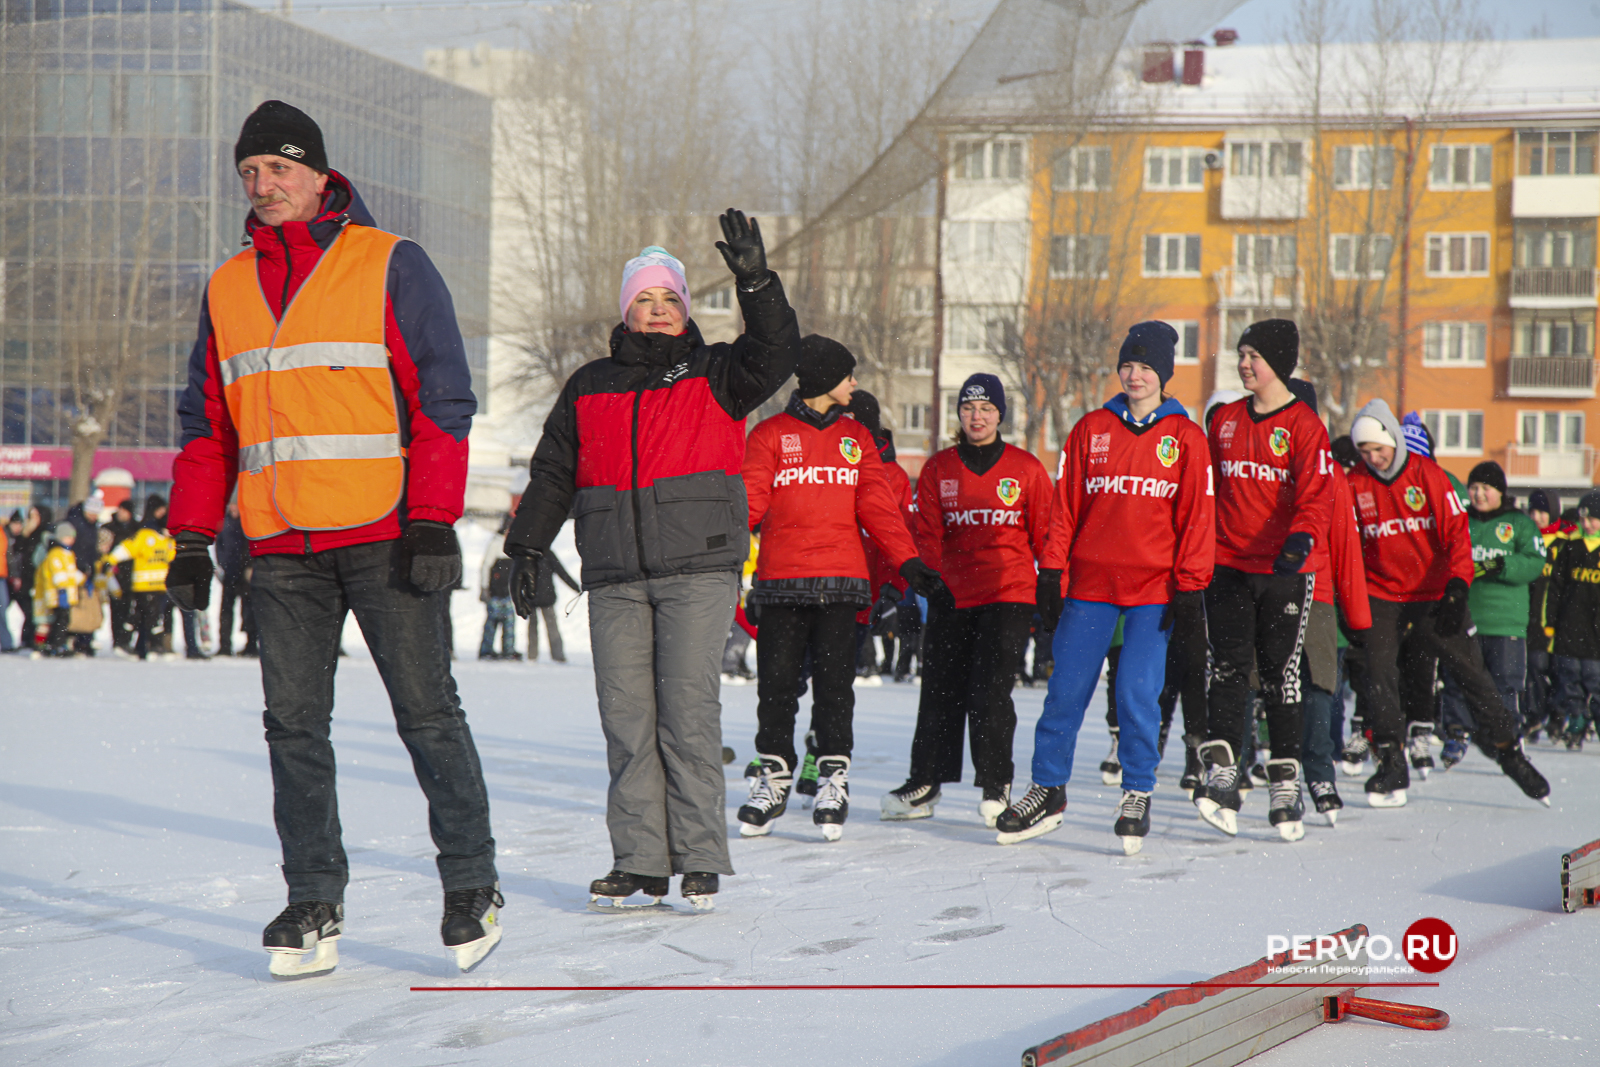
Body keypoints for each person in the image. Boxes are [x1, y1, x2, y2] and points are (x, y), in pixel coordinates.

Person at [163, 101, 500, 976]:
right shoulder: (228, 286)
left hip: (386, 535)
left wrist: (432, 519)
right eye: (248, 173)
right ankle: (313, 899)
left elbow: (442, 399)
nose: (262, 185)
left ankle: (471, 884)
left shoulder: (390, 263)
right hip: (278, 543)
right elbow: (207, 427)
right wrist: (193, 537)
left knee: (427, 715)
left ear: (318, 175)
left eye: (277, 169)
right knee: (293, 729)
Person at [504, 214, 800, 911]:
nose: (659, 310)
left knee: (686, 714)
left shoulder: (719, 370)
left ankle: (698, 855)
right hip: (614, 574)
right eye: (646, 299)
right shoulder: (589, 384)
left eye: (670, 299)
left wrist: (756, 283)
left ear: (685, 309)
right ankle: (639, 859)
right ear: (626, 309)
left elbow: (778, 350)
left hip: (697, 570)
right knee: (626, 718)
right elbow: (552, 472)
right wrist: (526, 546)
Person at [999, 322, 1214, 852]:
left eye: (1146, 368)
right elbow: (1065, 507)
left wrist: (1190, 586)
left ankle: (1137, 790)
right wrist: (1051, 569)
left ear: (1164, 375)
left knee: (1137, 694)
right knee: (1065, 691)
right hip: (1090, 585)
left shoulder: (1185, 437)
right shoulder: (1090, 429)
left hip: (1152, 591)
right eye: (1128, 366)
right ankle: (1048, 789)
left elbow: (1197, 518)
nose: (1135, 375)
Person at [737, 337, 939, 842]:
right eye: (848, 376)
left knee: (834, 690)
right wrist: (722, 559)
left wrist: (908, 563)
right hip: (782, 582)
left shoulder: (857, 439)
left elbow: (878, 508)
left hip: (844, 585)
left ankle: (832, 778)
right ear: (826, 380)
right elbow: (748, 506)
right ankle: (774, 777)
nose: (854, 384)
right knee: (776, 688)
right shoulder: (769, 435)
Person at [1345, 399, 1549, 807]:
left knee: (1471, 672)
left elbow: (1457, 534)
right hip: (1383, 592)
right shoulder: (1356, 485)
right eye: (1365, 453)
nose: (1373, 458)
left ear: (1393, 441)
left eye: (1378, 449)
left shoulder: (1428, 476)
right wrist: (1350, 602)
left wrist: (1457, 585)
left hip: (1435, 591)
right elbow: (1347, 545)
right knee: (1378, 670)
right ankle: (1390, 759)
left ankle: (1509, 751)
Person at [882, 373, 1053, 827]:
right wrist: (929, 583)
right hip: (953, 595)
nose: (976, 417)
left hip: (1008, 592)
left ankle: (996, 783)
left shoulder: (1026, 469)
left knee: (991, 690)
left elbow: (1045, 536)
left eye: (986, 409)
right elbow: (929, 534)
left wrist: (1053, 587)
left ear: (1000, 414)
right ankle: (926, 781)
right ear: (958, 414)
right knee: (939, 689)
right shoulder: (940, 468)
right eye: (968, 408)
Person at [1197, 320, 1332, 841]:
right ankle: (1224, 773)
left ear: (1280, 362)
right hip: (1228, 563)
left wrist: (1300, 538)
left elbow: (1317, 494)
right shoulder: (1226, 420)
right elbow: (1205, 490)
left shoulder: (1303, 425)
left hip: (1284, 570)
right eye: (1242, 354)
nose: (1245, 363)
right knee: (1227, 669)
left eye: (1254, 355)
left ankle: (1285, 780)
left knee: (1281, 674)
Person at [1437, 462, 1545, 767]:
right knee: (1459, 678)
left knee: (1505, 683)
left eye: (1486, 488)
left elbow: (1534, 562)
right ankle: (1457, 732)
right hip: (1466, 617)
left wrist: (1502, 566)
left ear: (1500, 491)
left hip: (1505, 621)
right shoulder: (1461, 521)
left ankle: (1509, 739)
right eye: (1473, 488)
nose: (1478, 494)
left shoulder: (1519, 523)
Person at [1545, 489, 1600, 750]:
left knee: (1594, 678)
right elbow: (1555, 586)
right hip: (1569, 624)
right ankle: (1576, 720)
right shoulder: (1571, 547)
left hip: (1595, 630)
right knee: (1569, 677)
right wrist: (1550, 621)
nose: (1587, 524)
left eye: (1593, 519)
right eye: (1583, 519)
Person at [1523, 488, 1573, 742]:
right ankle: (1534, 716)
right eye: (1533, 511)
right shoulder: (1526, 541)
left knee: (1559, 671)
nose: (1537, 517)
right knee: (1534, 667)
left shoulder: (1565, 544)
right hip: (1533, 622)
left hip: (1560, 621)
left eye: (1542, 511)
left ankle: (1558, 716)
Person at [32, 523, 85, 657]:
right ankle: (55, 644)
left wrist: (83, 579)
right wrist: (62, 589)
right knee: (59, 620)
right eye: (67, 537)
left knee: (64, 620)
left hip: (67, 594)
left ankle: (59, 643)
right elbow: (58, 574)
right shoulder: (55, 553)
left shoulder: (68, 553)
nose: (71, 540)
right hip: (58, 594)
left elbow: (71, 572)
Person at [215, 502, 253, 656]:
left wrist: (249, 566)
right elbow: (219, 546)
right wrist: (221, 565)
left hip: (245, 573)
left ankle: (251, 644)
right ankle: (224, 645)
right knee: (226, 611)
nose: (233, 508)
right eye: (231, 504)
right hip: (229, 572)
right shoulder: (224, 522)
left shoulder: (247, 522)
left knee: (249, 610)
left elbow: (251, 545)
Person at [528, 548, 580, 662]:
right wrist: (576, 587)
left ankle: (532, 655)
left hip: (532, 596)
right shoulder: (548, 554)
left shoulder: (528, 554)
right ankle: (557, 655)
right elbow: (562, 573)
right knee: (551, 627)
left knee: (533, 627)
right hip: (545, 597)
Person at [104, 502, 140, 655]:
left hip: (133, 574)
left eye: (124, 510)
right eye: (120, 510)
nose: (121, 513)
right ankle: (117, 640)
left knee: (130, 610)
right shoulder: (109, 528)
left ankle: (125, 640)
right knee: (116, 609)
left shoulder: (137, 528)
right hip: (114, 575)